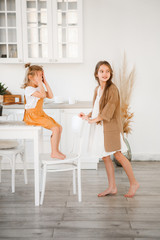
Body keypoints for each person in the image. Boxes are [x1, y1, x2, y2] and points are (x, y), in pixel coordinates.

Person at [79, 61, 139, 198]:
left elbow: (109, 110)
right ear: (96, 74)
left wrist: (93, 120)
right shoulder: (97, 89)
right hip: (101, 128)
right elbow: (97, 108)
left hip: (111, 127)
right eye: (102, 71)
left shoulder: (112, 89)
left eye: (107, 71)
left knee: (118, 154)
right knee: (105, 156)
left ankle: (134, 183)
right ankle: (112, 187)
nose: (105, 74)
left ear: (111, 73)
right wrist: (88, 115)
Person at [22, 63, 66, 160]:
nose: (41, 78)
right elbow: (42, 95)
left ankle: (56, 150)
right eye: (39, 76)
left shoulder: (38, 87)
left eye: (42, 76)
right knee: (55, 129)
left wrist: (45, 82)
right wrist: (40, 84)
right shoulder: (29, 89)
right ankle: (53, 152)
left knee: (59, 127)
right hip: (32, 116)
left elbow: (50, 96)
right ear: (30, 77)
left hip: (39, 113)